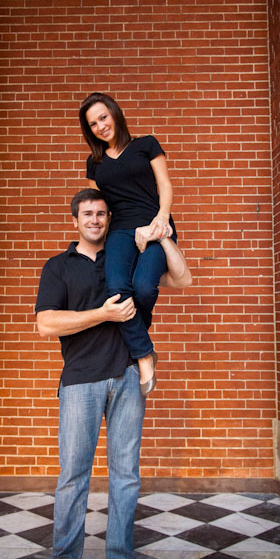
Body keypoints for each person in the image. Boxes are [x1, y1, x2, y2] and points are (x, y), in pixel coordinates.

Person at [35, 189, 188, 559]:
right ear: (75, 220)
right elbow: (46, 324)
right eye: (88, 214)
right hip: (80, 380)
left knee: (125, 476)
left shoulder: (128, 258)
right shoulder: (58, 266)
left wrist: (163, 233)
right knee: (72, 476)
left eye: (102, 214)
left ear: (109, 218)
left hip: (126, 378)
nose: (96, 220)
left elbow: (182, 278)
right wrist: (101, 313)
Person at [80, 92, 191, 394]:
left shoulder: (146, 145)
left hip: (155, 225)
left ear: (115, 114)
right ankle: (144, 354)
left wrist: (161, 222)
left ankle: (135, 340)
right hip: (120, 232)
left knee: (143, 287)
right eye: (93, 124)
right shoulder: (95, 162)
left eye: (103, 117)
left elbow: (165, 185)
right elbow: (98, 205)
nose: (100, 126)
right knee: (117, 291)